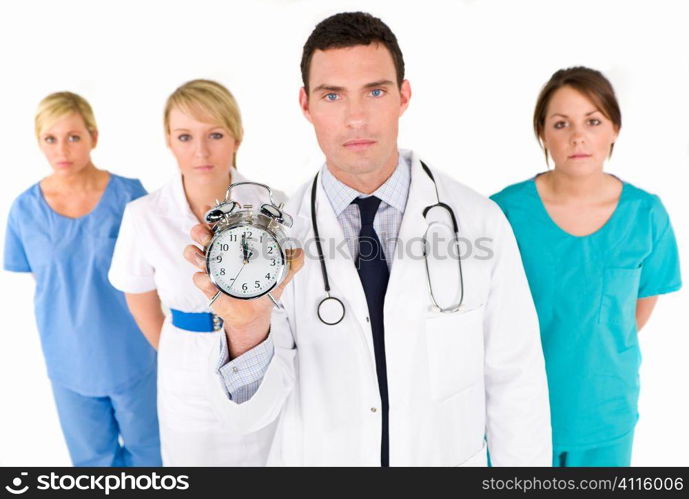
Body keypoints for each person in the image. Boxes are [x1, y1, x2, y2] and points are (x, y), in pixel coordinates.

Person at [184, 12, 551, 466]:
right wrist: (245, 328)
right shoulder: (270, 244)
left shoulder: (478, 222)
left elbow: (517, 383)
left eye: (375, 91)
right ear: (306, 105)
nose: (355, 118)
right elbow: (249, 416)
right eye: (333, 95)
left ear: (404, 96)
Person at [490, 67, 682, 467]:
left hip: (605, 413)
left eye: (592, 121)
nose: (578, 136)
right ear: (542, 133)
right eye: (562, 124)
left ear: (614, 128)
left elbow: (636, 310)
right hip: (518, 413)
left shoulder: (645, 214)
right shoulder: (504, 213)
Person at [109, 79, 283, 466]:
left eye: (215, 134)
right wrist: (183, 349)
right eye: (185, 136)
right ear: (169, 141)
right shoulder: (143, 216)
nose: (200, 151)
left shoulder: (272, 206)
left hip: (260, 353)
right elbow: (139, 300)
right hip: (184, 368)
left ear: (237, 137)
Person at [3, 91, 160, 466]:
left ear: (94, 136)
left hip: (133, 354)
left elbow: (155, 271)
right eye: (50, 139)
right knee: (92, 464)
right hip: (68, 360)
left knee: (153, 456)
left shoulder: (129, 196)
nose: (63, 149)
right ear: (38, 142)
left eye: (74, 137)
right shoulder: (25, 210)